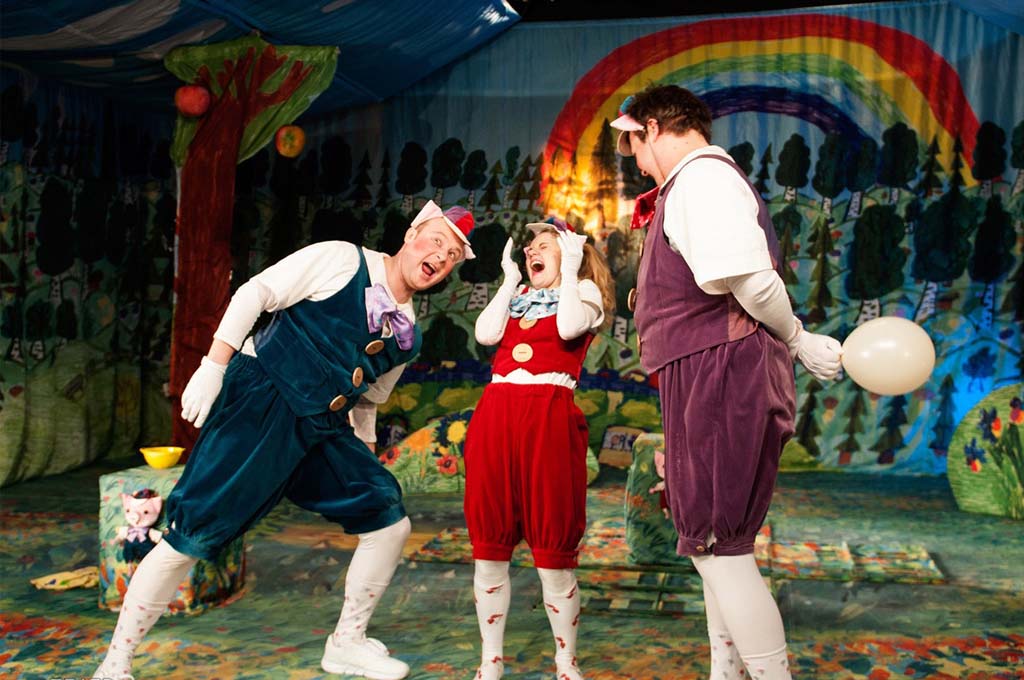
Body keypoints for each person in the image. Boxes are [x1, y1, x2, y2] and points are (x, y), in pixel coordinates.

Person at [93, 200, 478, 680]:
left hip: (322, 425)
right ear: (411, 234)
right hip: (263, 400)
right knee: (190, 535)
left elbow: (367, 401)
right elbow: (255, 293)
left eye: (452, 255)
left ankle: (347, 643)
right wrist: (213, 366)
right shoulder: (342, 258)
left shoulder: (409, 336)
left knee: (389, 520)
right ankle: (115, 663)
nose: (440, 256)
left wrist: (363, 460)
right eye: (436, 240)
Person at [610, 85, 842, 680]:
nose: (637, 162)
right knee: (714, 547)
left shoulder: (703, 180)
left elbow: (752, 282)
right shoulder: (690, 185)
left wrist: (797, 338)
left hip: (721, 370)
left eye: (634, 146)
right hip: (708, 370)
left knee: (719, 547)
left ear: (653, 128)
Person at [462, 217, 615, 680]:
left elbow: (568, 327)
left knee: (553, 552)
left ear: (572, 252)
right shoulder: (519, 297)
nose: (532, 250)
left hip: (549, 416)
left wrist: (569, 269)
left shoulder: (583, 294)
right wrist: (509, 282)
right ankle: (490, 661)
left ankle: (566, 661)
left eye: (546, 244)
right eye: (531, 245)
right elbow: (486, 334)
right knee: (489, 547)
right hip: (497, 413)